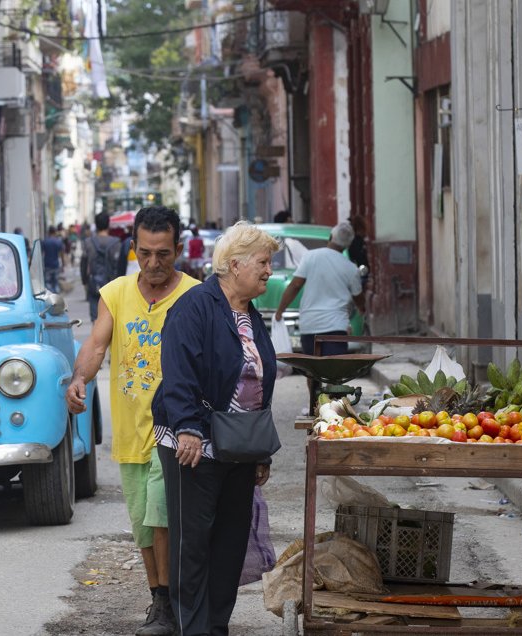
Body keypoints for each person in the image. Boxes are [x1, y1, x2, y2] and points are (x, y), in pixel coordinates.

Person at [66, 207, 197, 636]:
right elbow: (96, 344)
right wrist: (79, 379)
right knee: (143, 525)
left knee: (162, 516)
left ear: (179, 249)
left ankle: (170, 605)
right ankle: (160, 599)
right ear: (133, 249)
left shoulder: (196, 295)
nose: (153, 263)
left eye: (164, 254)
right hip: (130, 429)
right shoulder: (116, 293)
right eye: (145, 253)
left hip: (175, 428)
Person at [152, 221, 279, 636]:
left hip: (239, 445)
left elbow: (257, 384)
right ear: (235, 264)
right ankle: (193, 628)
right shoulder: (194, 306)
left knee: (230, 542)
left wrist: (261, 450)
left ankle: (216, 626)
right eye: (263, 262)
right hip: (194, 443)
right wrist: (187, 427)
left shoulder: (250, 314)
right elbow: (178, 371)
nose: (269, 271)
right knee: (193, 542)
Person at [274, 222, 364, 356]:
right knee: (334, 367)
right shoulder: (351, 268)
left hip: (310, 326)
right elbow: (358, 299)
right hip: (336, 327)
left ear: (331, 237)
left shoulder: (310, 257)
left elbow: (295, 285)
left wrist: (280, 311)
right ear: (348, 245)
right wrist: (362, 309)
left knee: (312, 367)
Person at [81, 212, 124, 324]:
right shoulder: (116, 243)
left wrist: (84, 280)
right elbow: (119, 265)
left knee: (95, 317)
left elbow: (84, 263)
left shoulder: (88, 242)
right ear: (108, 224)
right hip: (112, 283)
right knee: (111, 315)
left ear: (96, 224)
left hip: (94, 282)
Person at [42, 225, 64, 293]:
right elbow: (61, 254)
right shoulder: (58, 242)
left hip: (47, 264)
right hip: (56, 264)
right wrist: (63, 264)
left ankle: (50, 295)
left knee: (48, 283)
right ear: (55, 232)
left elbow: (42, 253)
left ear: (49, 232)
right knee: (56, 282)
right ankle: (56, 295)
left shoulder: (45, 241)